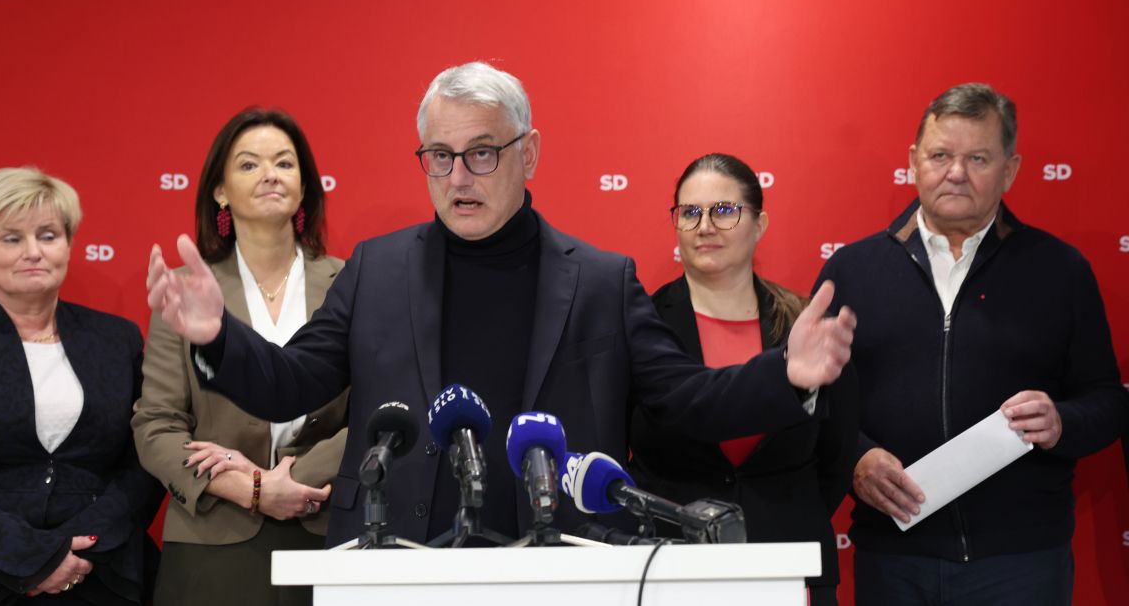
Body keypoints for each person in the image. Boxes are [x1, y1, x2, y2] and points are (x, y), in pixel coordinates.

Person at [145, 61, 857, 548]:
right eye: (439, 155)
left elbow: (687, 400)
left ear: (529, 152)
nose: (459, 177)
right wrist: (216, 338)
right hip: (398, 560)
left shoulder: (602, 282)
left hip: (561, 561)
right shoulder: (376, 268)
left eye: (482, 152)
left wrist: (784, 376)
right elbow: (292, 381)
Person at [815, 83, 1129, 605]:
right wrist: (855, 459)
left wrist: (1062, 422)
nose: (956, 173)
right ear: (914, 162)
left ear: (1010, 171)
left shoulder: (1060, 270)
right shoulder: (852, 271)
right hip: (893, 558)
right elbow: (815, 406)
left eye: (978, 158)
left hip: (1022, 564)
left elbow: (1108, 400)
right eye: (940, 155)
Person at [132, 109, 347, 606]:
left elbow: (377, 410)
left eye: (284, 163)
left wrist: (294, 480)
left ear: (305, 186)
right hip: (213, 537)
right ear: (220, 191)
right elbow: (156, 425)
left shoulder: (351, 282)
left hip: (327, 527)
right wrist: (249, 487)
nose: (270, 174)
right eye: (249, 164)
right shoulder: (186, 293)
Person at [629, 153, 857, 605]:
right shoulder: (642, 325)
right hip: (669, 566)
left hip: (791, 564)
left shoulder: (806, 326)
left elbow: (837, 455)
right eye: (690, 213)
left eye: (724, 211)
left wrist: (784, 513)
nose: (705, 226)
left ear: (759, 224)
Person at [0, 168, 163, 605]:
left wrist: (82, 545)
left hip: (100, 570)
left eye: (48, 235)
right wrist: (29, 555)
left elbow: (145, 458)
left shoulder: (117, 339)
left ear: (68, 245)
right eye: (11, 238)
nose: (33, 251)